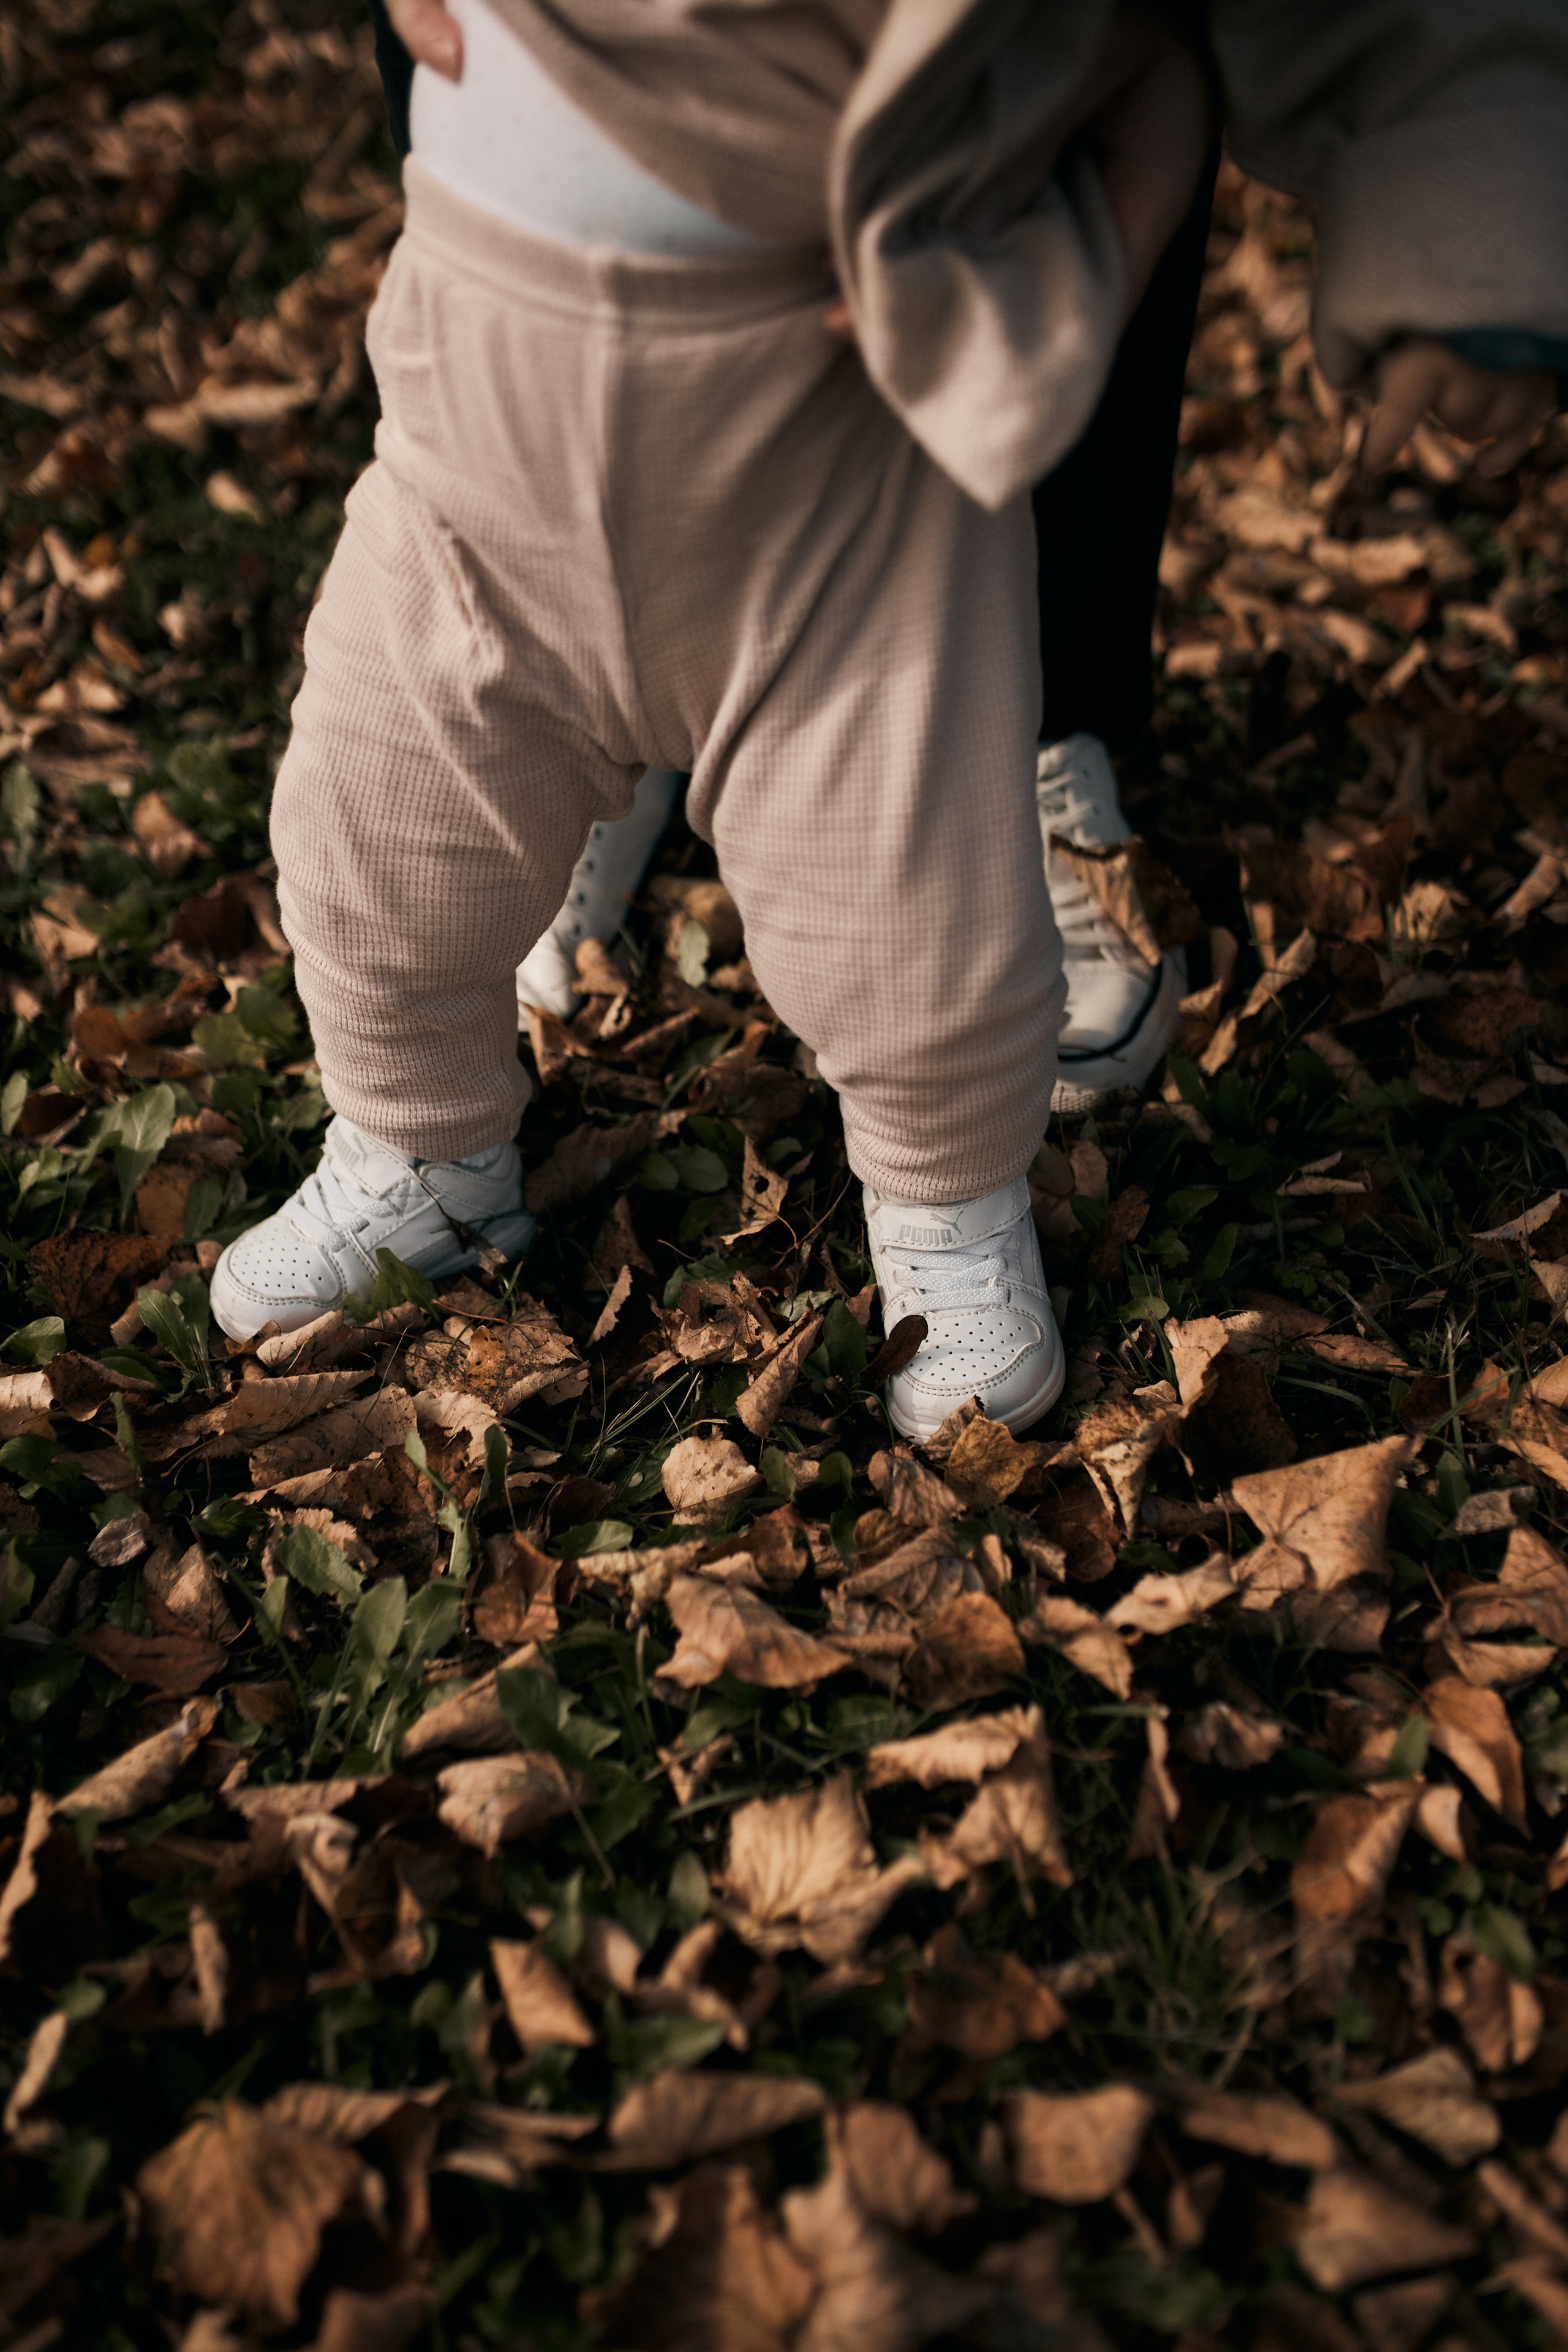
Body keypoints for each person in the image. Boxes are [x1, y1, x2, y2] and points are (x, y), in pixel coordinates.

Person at [211, 0, 1564, 1446]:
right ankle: (419, 1143)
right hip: (476, 454)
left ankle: (945, 1199)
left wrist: (1464, 209)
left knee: (907, 908)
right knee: (372, 836)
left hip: (841, 478)